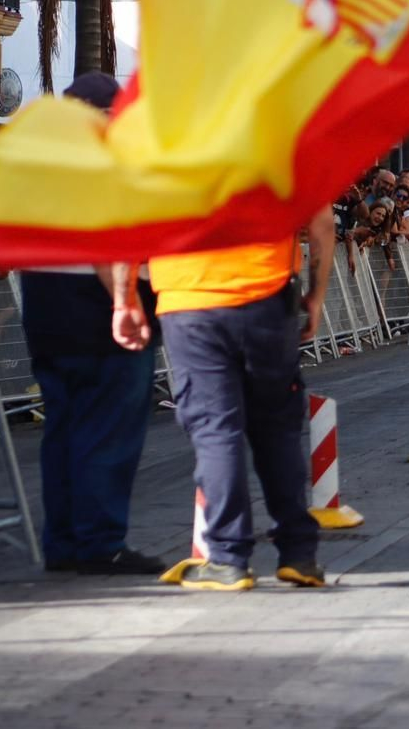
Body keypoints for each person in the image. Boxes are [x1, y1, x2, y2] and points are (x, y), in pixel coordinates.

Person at [113, 203, 337, 591]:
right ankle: (299, 555)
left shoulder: (153, 147)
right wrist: (316, 296)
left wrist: (124, 300)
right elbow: (320, 221)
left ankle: (228, 558)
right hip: (268, 298)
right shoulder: (279, 145)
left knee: (217, 428)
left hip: (191, 303)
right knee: (278, 429)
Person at [22, 73, 165, 576]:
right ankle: (100, 542)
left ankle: (63, 542)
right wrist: (126, 303)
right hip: (98, 310)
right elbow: (110, 243)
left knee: (62, 431)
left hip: (47, 311)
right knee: (108, 432)